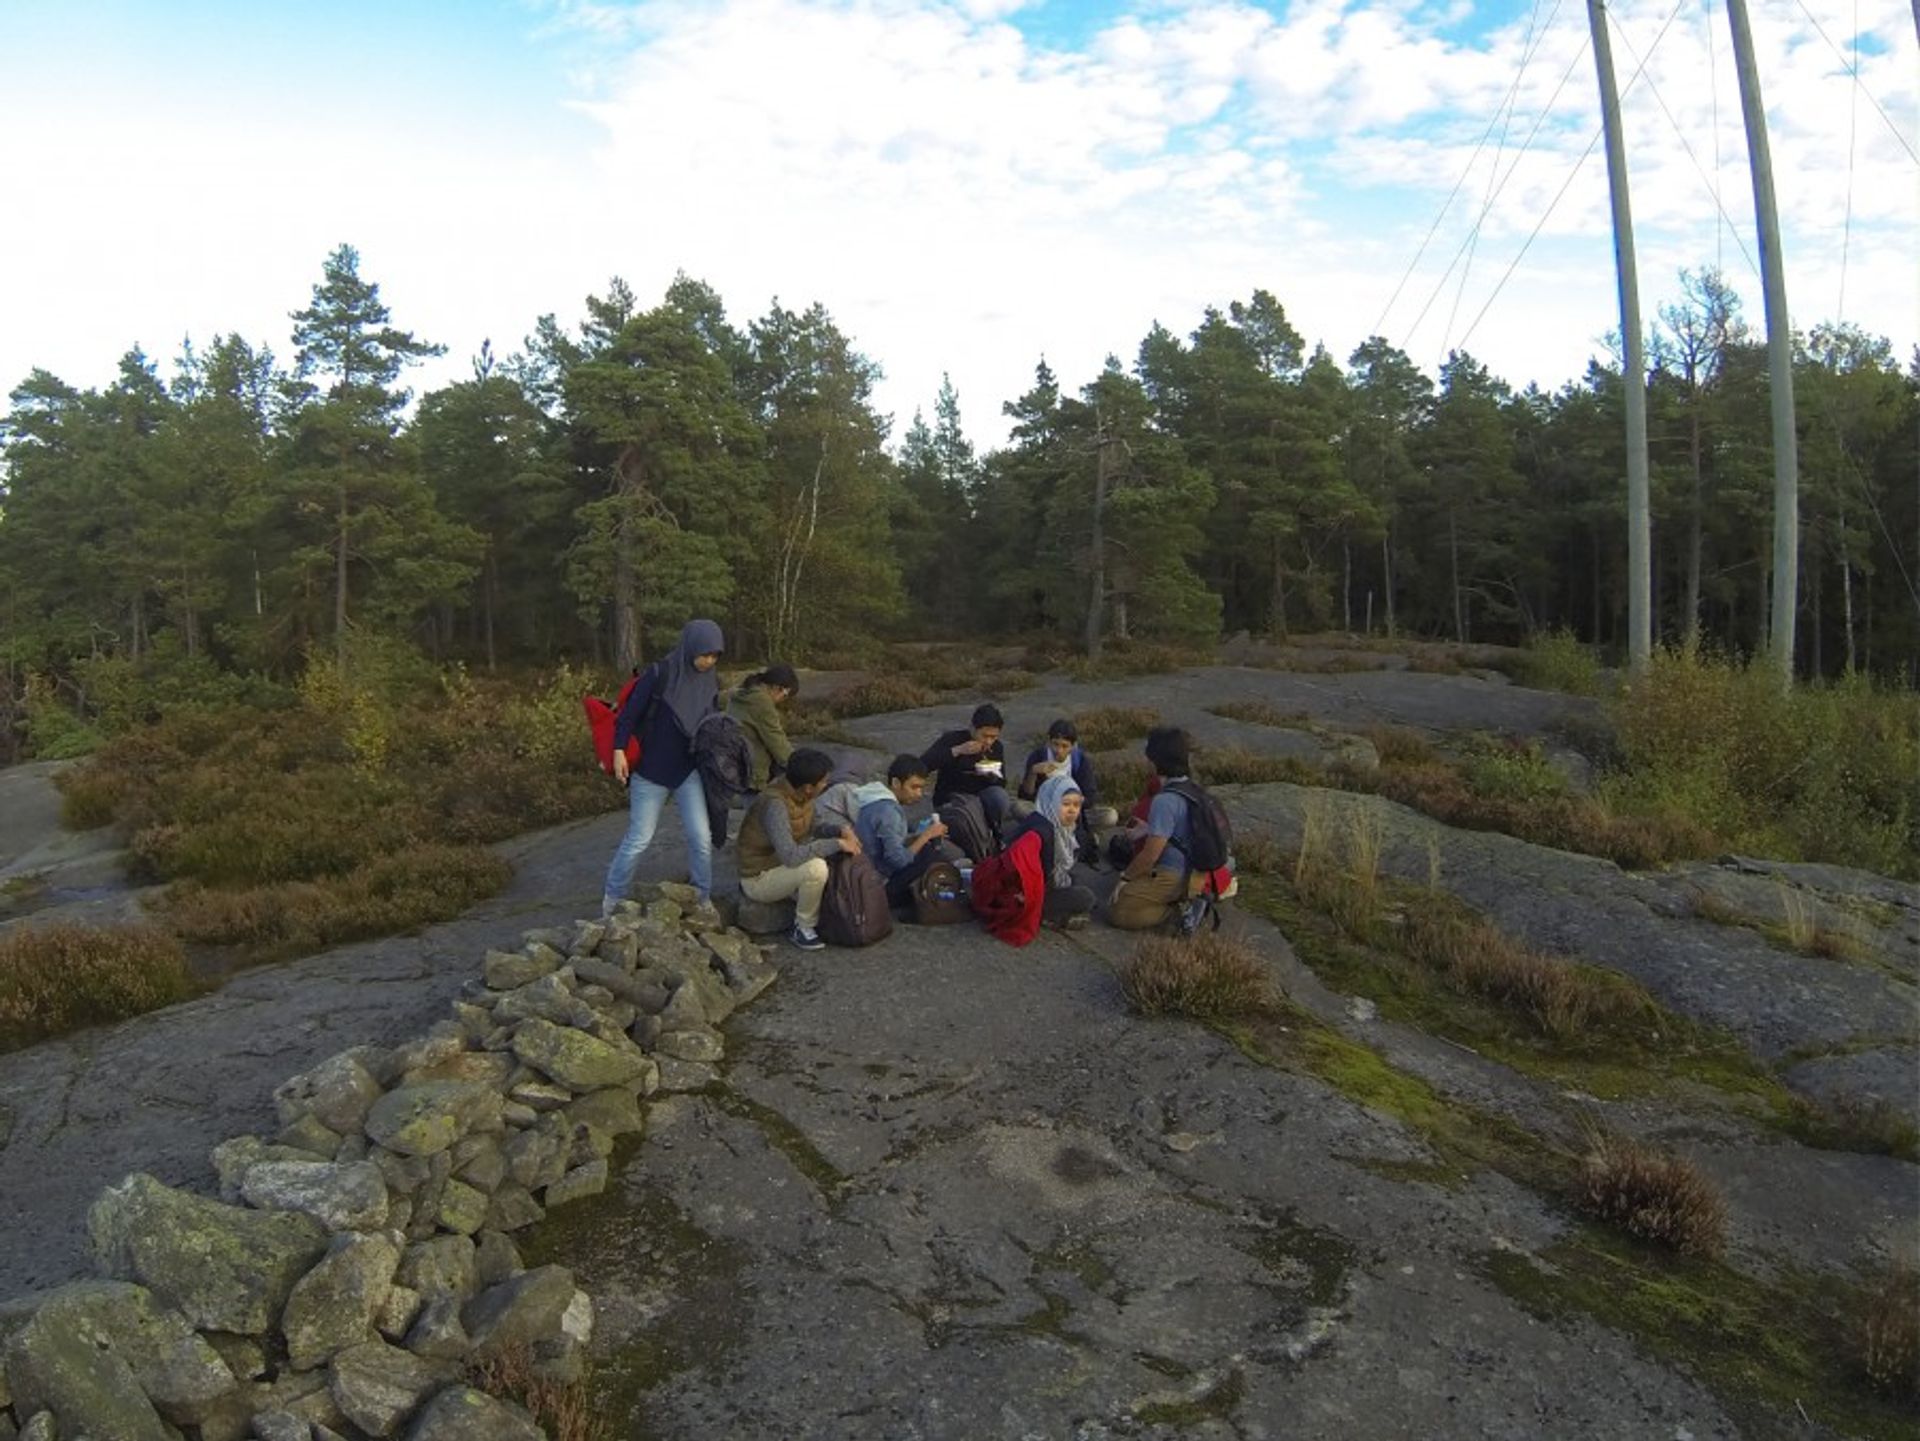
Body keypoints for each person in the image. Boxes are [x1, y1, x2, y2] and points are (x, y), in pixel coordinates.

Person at [602, 619, 725, 918]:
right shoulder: (660, 673)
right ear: (690, 646)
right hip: (650, 772)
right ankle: (612, 898)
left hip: (689, 771)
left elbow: (711, 721)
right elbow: (629, 716)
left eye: (715, 655)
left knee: (701, 837)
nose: (709, 660)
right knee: (639, 838)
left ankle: (701, 897)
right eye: (704, 653)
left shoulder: (710, 680)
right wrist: (618, 751)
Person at [735, 747, 862, 951]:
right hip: (758, 877)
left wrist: (841, 830)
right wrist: (836, 844)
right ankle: (803, 928)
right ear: (808, 787)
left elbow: (815, 827)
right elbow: (791, 856)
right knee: (816, 868)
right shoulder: (774, 805)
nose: (826, 784)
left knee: (830, 858)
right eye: (823, 781)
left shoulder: (801, 795)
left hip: (779, 866)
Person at [970, 771, 1097, 944]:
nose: (1072, 810)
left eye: (1076, 805)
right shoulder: (1040, 832)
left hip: (1040, 883)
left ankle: (1056, 914)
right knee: (1086, 897)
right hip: (1015, 896)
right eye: (1066, 804)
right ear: (1051, 802)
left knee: (1076, 880)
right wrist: (1022, 894)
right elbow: (1016, 871)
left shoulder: (1056, 825)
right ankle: (1049, 916)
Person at [1108, 726, 1203, 931]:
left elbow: (1150, 855)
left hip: (1175, 874)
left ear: (1156, 761)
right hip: (1197, 869)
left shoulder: (1164, 801)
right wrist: (1150, 829)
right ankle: (1186, 900)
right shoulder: (1191, 788)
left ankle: (1178, 913)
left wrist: (1125, 878)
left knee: (1119, 910)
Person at [852, 754, 958, 911]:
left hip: (861, 871)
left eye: (921, 788)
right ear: (896, 783)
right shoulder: (889, 811)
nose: (919, 794)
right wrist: (926, 836)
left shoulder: (872, 798)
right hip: (877, 882)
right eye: (914, 787)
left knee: (924, 849)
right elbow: (897, 860)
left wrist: (919, 835)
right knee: (930, 855)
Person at [1013, 718, 1120, 831]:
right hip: (1044, 810)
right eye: (1055, 744)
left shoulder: (1080, 760)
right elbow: (1026, 795)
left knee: (1110, 816)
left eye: (1064, 746)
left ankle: (1058, 829)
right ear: (1048, 741)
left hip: (1073, 812)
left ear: (1073, 746)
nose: (1059, 750)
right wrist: (1033, 772)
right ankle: (1059, 829)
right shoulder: (1038, 756)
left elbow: (1090, 797)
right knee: (1018, 808)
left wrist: (1070, 802)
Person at [922, 703, 1011, 831]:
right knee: (966, 810)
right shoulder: (952, 739)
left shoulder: (996, 747)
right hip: (951, 797)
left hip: (980, 797)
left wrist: (992, 776)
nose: (988, 741)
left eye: (994, 737)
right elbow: (924, 764)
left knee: (999, 796)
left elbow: (1002, 783)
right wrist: (957, 751)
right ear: (972, 728)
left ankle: (995, 831)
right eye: (984, 736)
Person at [727, 663, 799, 791]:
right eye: (786, 696)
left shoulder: (743, 693)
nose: (783, 700)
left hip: (736, 765)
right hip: (753, 772)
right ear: (778, 688)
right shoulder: (761, 702)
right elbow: (776, 740)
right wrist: (800, 766)